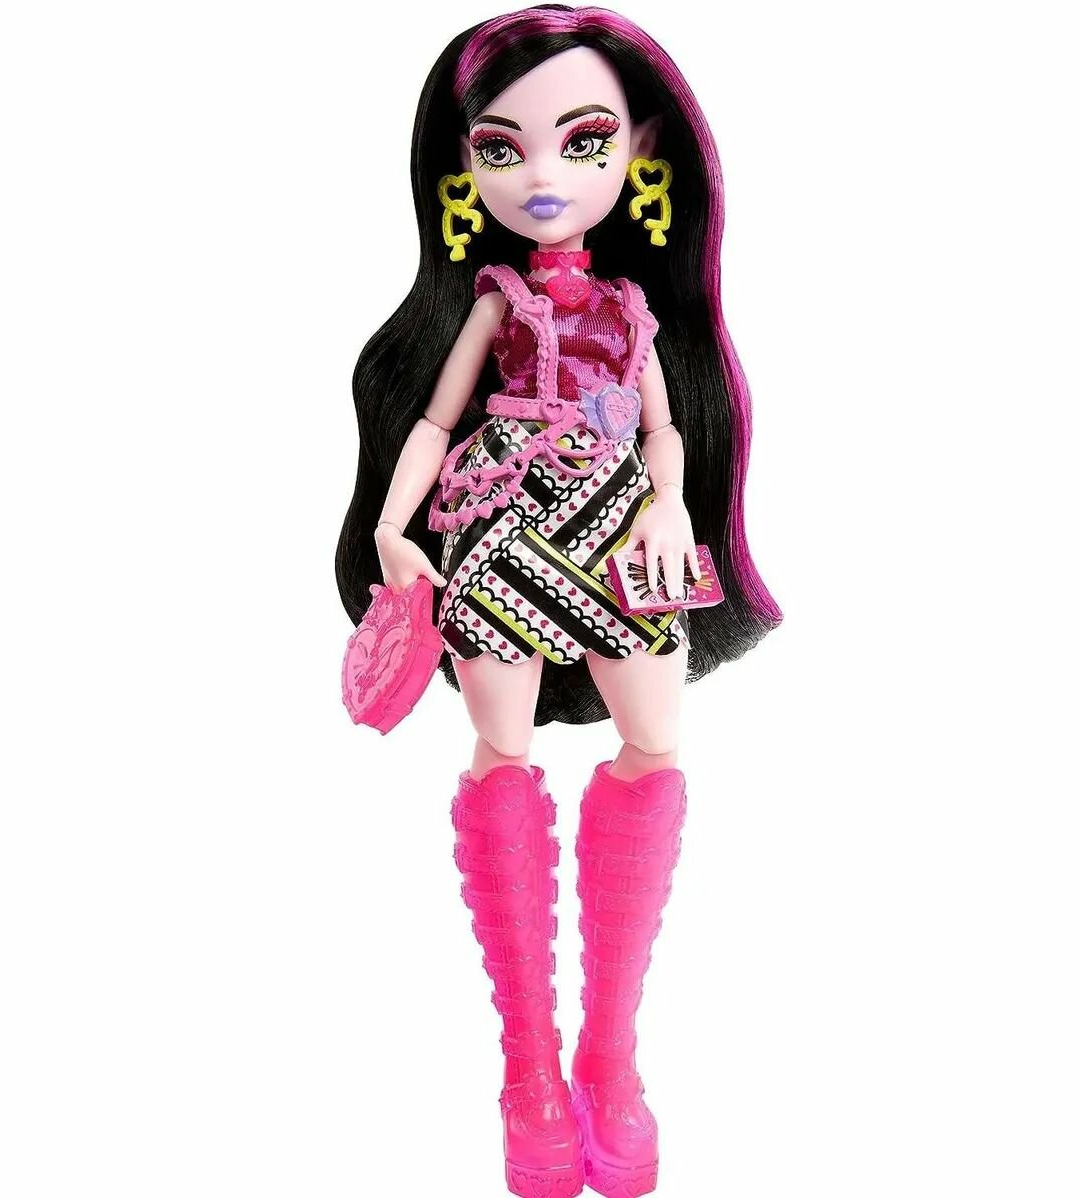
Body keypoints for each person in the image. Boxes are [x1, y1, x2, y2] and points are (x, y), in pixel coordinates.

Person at [335, 8, 782, 1195]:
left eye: (583, 143)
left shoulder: (630, 310)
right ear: (464, 167)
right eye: (501, 147)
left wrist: (672, 506)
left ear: (642, 150)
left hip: (622, 524)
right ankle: (529, 1063)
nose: (541, 176)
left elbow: (665, 428)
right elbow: (434, 418)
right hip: (496, 518)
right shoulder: (493, 298)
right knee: (501, 751)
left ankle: (610, 1053)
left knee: (655, 739)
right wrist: (392, 524)